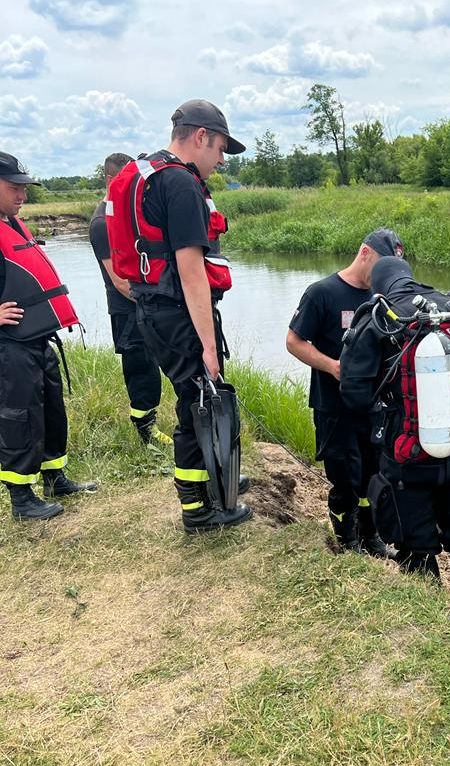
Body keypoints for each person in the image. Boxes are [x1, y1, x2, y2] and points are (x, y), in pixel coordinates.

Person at [105, 99, 251, 533]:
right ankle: (199, 510)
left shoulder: (146, 174)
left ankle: (212, 480)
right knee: (198, 402)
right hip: (178, 312)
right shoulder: (181, 185)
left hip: (151, 308)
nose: (222, 160)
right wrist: (208, 344)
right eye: (221, 148)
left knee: (195, 398)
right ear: (200, 136)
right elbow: (191, 272)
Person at [340, 257, 450, 601]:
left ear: (378, 286)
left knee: (415, 545)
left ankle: (430, 613)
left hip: (409, 458)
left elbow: (354, 396)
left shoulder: (381, 318)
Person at [286, 229, 403, 555]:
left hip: (374, 406)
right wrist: (333, 366)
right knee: (344, 478)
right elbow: (294, 342)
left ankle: (371, 536)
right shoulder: (322, 293)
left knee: (374, 474)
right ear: (365, 253)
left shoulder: (382, 299)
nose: (384, 274)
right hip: (333, 406)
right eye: (382, 265)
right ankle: (346, 541)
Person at [0, 151, 97, 520]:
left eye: (24, 188)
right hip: (9, 346)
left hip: (37, 338)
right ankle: (21, 499)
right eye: (13, 188)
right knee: (18, 417)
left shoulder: (12, 224)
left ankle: (55, 477)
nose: (22, 195)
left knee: (52, 410)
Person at [89, 153, 172, 447]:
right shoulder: (101, 224)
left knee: (153, 367)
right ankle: (144, 430)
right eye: (126, 179)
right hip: (127, 311)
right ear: (112, 180)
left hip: (144, 306)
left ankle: (151, 423)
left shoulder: (121, 216)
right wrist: (155, 302)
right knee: (140, 371)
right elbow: (119, 281)